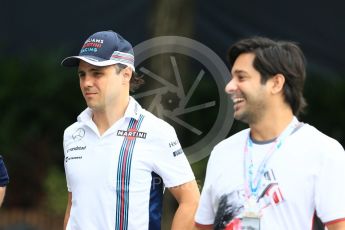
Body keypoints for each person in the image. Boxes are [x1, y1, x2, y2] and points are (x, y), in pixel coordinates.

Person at [194, 36, 345, 230]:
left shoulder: (324, 152)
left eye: (241, 77)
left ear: (276, 83)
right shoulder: (222, 153)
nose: (229, 87)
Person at [61, 30, 200, 230]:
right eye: (82, 74)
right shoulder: (72, 133)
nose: (87, 83)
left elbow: (191, 200)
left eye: (97, 73)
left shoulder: (156, 131)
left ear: (126, 74)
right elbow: (74, 205)